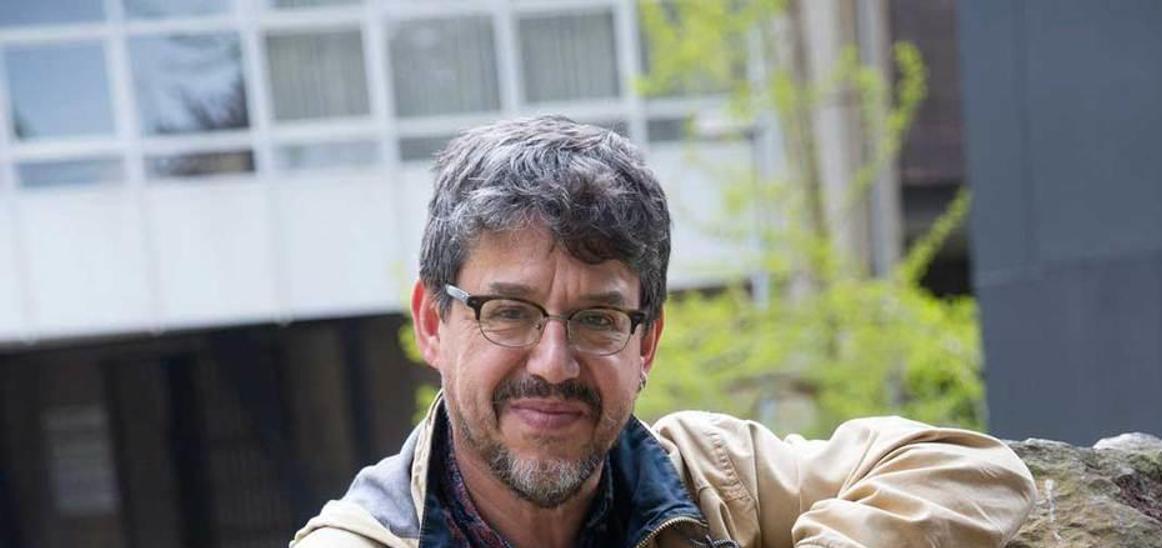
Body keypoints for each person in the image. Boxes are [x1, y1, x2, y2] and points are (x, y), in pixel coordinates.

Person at [291, 116, 1036, 547]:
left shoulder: (714, 477)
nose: (553, 364)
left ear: (645, 343)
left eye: (598, 319)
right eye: (509, 312)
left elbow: (979, 473)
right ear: (433, 322)